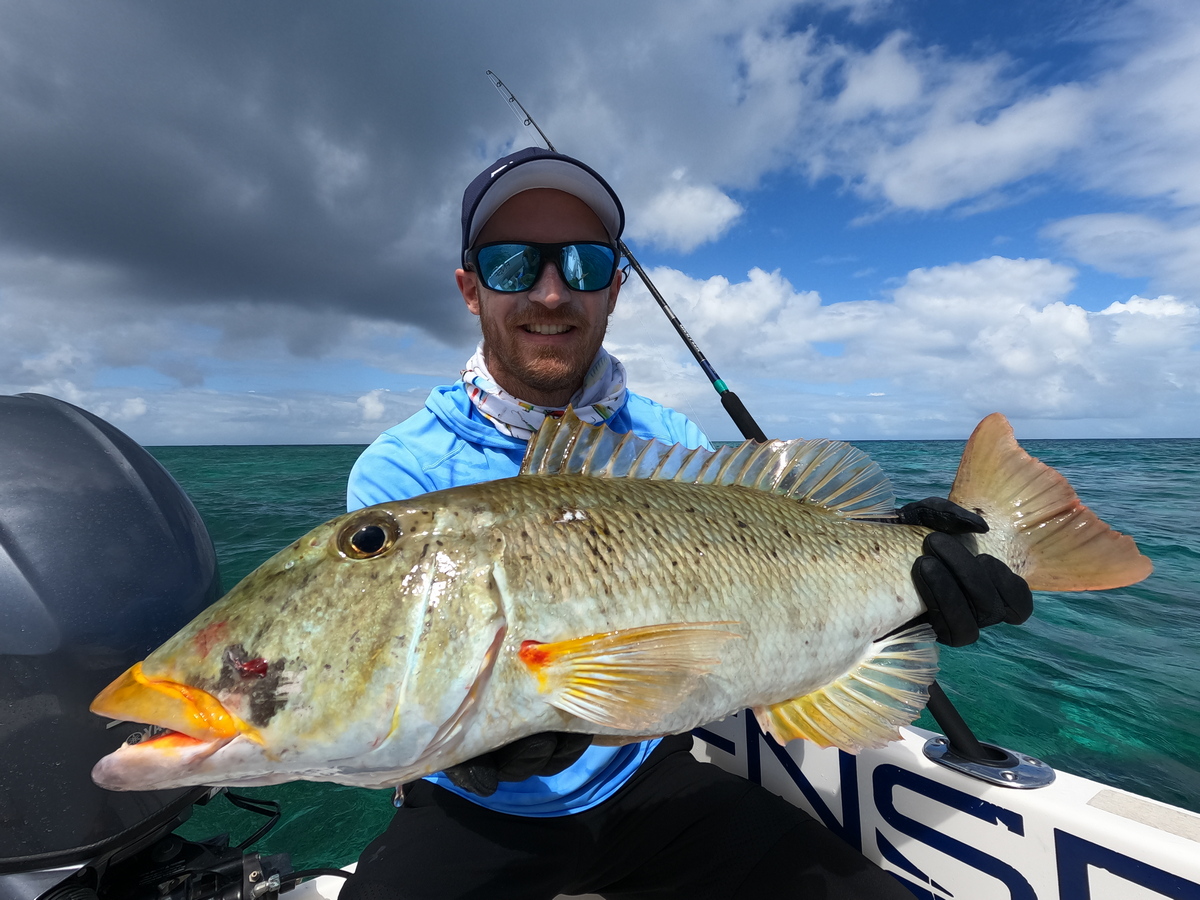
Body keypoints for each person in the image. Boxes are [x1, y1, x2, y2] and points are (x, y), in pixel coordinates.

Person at [341, 147, 1033, 900]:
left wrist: (912, 570)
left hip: (652, 779)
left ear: (614, 290)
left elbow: (754, 584)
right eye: (513, 265)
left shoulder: (667, 437)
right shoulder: (399, 476)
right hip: (475, 809)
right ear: (471, 289)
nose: (549, 292)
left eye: (582, 264)